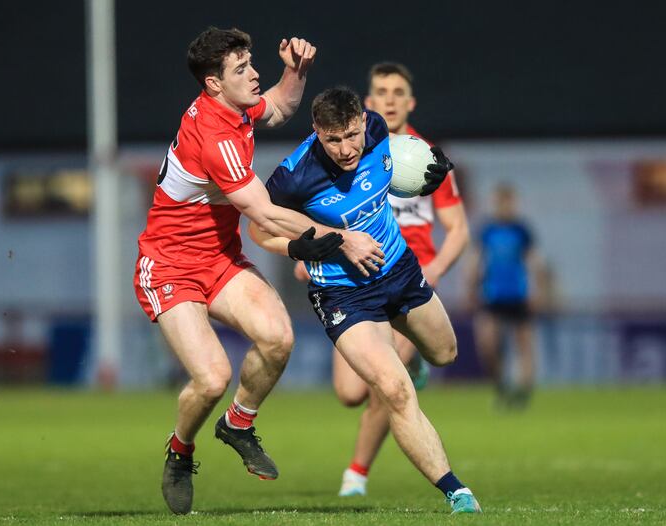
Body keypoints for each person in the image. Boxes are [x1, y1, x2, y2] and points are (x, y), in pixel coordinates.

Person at [134, 27, 382, 515]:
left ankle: (238, 423)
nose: (254, 75)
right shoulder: (214, 136)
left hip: (219, 258)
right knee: (212, 378)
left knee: (277, 338)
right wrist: (343, 237)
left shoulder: (234, 107)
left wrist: (296, 71)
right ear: (213, 84)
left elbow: (282, 106)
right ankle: (180, 451)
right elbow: (265, 214)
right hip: (169, 266)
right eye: (241, 69)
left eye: (251, 64)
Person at [251, 87, 482, 514]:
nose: (345, 149)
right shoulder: (293, 178)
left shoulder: (376, 128)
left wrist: (426, 171)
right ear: (316, 131)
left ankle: (413, 363)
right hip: (343, 293)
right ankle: (457, 492)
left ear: (363, 121)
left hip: (399, 269)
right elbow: (259, 231)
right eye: (333, 140)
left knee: (445, 353)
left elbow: (398, 160)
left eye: (351, 135)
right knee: (393, 391)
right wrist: (303, 248)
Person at [465, 184, 547, 409]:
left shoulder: (522, 230)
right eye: (500, 202)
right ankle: (501, 386)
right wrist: (471, 287)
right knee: (488, 345)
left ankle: (523, 393)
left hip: (519, 296)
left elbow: (534, 261)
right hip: (492, 295)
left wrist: (538, 290)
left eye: (508, 202)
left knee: (524, 346)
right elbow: (475, 260)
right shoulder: (487, 230)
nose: (505, 207)